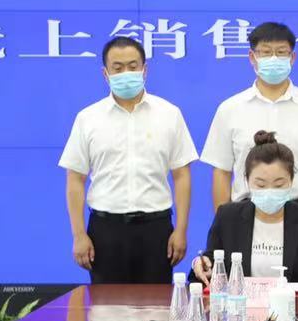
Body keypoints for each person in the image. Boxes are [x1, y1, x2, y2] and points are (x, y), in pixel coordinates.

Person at [60, 36, 197, 284]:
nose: (126, 73)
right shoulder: (88, 118)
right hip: (105, 231)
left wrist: (181, 230)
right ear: (105, 73)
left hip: (156, 229)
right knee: (106, 305)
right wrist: (79, 234)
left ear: (145, 70)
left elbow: (182, 175)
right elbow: (75, 179)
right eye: (118, 68)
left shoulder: (169, 114)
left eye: (133, 66)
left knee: (156, 305)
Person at [202, 21, 298, 240]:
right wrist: (224, 227)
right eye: (266, 53)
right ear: (252, 57)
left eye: (281, 52)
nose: (274, 59)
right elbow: (221, 172)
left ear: (292, 58)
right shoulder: (230, 109)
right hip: (245, 216)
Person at [193, 131, 298, 286]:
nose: (269, 191)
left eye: (279, 185)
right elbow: (211, 262)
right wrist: (201, 264)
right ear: (247, 181)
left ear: (291, 181)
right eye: (260, 185)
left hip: (294, 301)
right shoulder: (228, 217)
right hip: (241, 300)